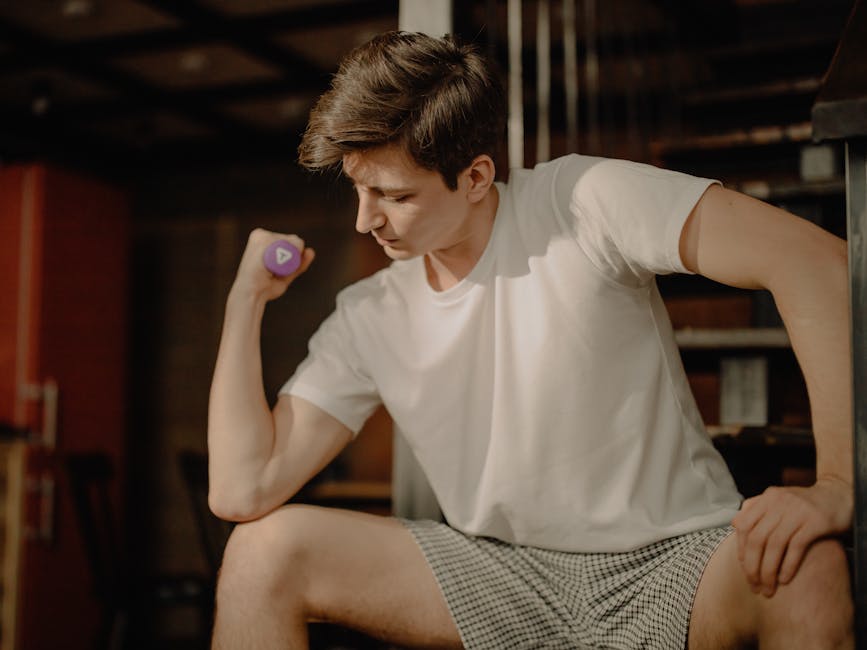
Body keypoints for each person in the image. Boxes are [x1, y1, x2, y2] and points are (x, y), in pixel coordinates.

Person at [207, 30, 854, 649]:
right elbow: (243, 489)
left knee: (810, 574)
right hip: (496, 577)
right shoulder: (369, 315)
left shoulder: (582, 201)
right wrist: (245, 302)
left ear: (477, 177)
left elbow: (812, 262)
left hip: (674, 559)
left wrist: (834, 483)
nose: (364, 218)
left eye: (392, 195)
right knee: (263, 552)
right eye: (358, 187)